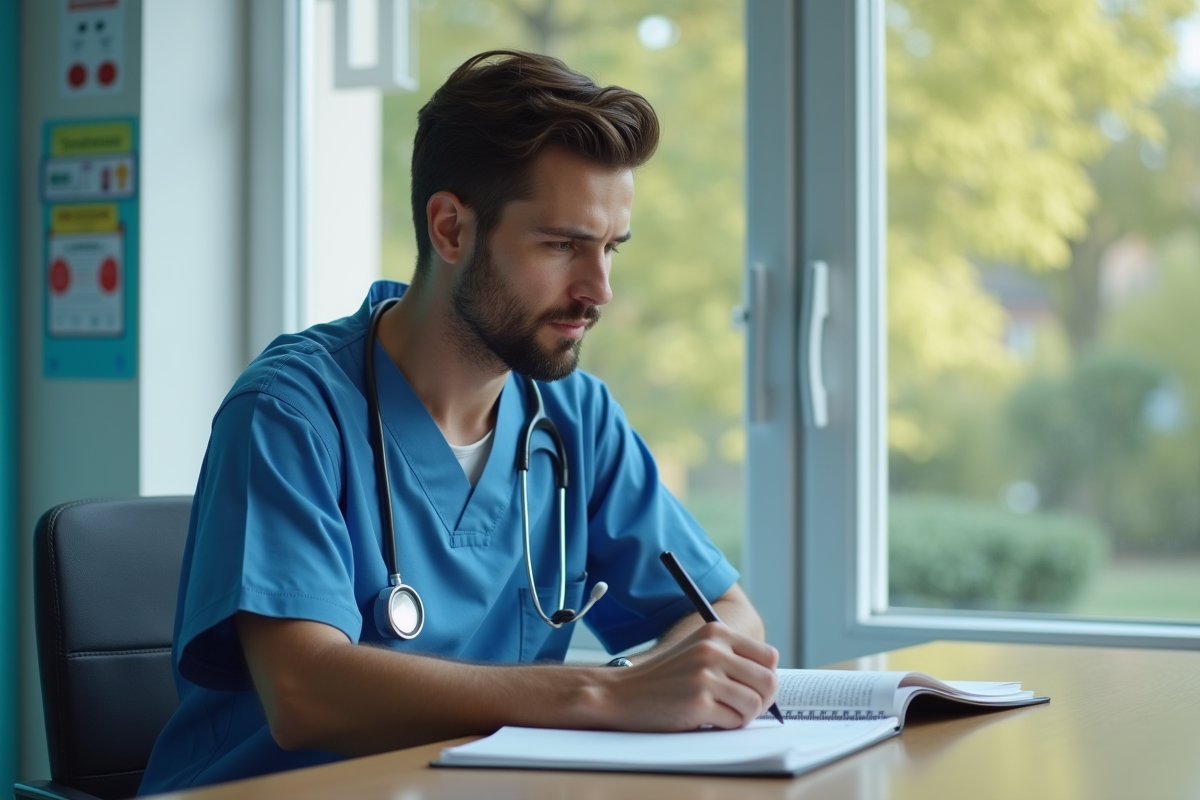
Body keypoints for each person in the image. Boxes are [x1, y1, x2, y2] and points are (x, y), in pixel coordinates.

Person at [139, 50, 778, 794]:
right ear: (450, 229)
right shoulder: (290, 412)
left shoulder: (575, 417)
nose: (599, 288)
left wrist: (657, 679)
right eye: (562, 245)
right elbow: (304, 692)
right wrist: (607, 694)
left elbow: (727, 614)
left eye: (610, 249)